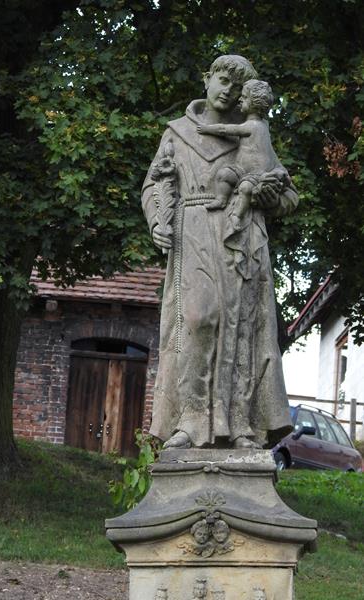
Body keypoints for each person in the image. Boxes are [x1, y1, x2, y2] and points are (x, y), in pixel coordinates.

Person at [142, 55, 297, 450]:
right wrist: (158, 220)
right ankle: (190, 418)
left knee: (242, 328)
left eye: (237, 86)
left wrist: (267, 194)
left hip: (241, 236)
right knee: (198, 319)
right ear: (207, 78)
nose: (228, 90)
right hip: (192, 230)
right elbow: (155, 182)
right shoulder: (177, 133)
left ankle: (240, 423)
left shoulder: (252, 133)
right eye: (224, 79)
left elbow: (288, 196)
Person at [197, 79, 291, 219]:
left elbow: (224, 130)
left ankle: (237, 216)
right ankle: (221, 199)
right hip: (240, 169)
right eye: (223, 81)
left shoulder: (253, 125)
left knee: (245, 189)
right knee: (224, 175)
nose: (239, 99)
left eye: (244, 97)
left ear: (254, 104)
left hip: (254, 174)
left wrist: (207, 129)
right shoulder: (263, 126)